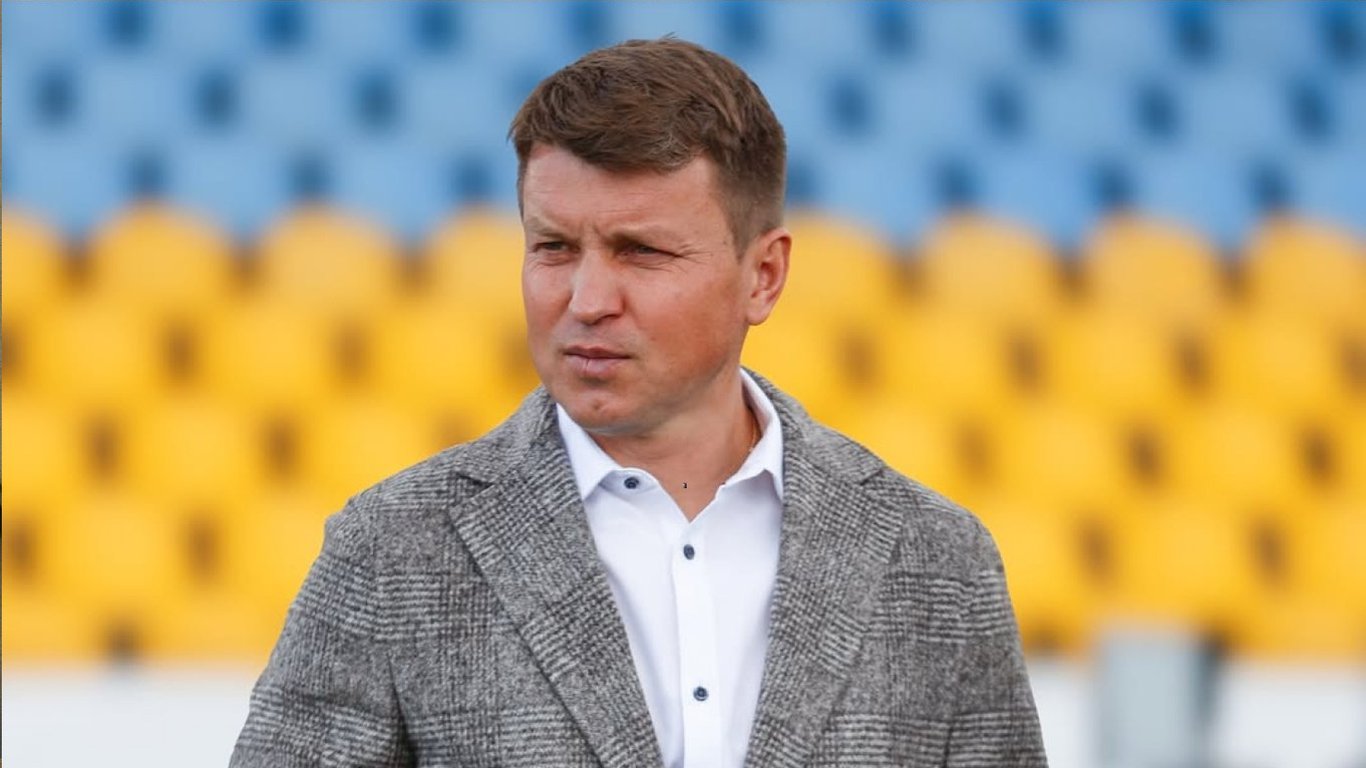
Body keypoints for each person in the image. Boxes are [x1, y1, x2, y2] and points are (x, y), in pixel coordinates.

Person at [231, 38, 1046, 767]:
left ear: (763, 276)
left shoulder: (937, 559)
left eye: (641, 252)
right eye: (554, 247)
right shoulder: (391, 549)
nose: (587, 299)